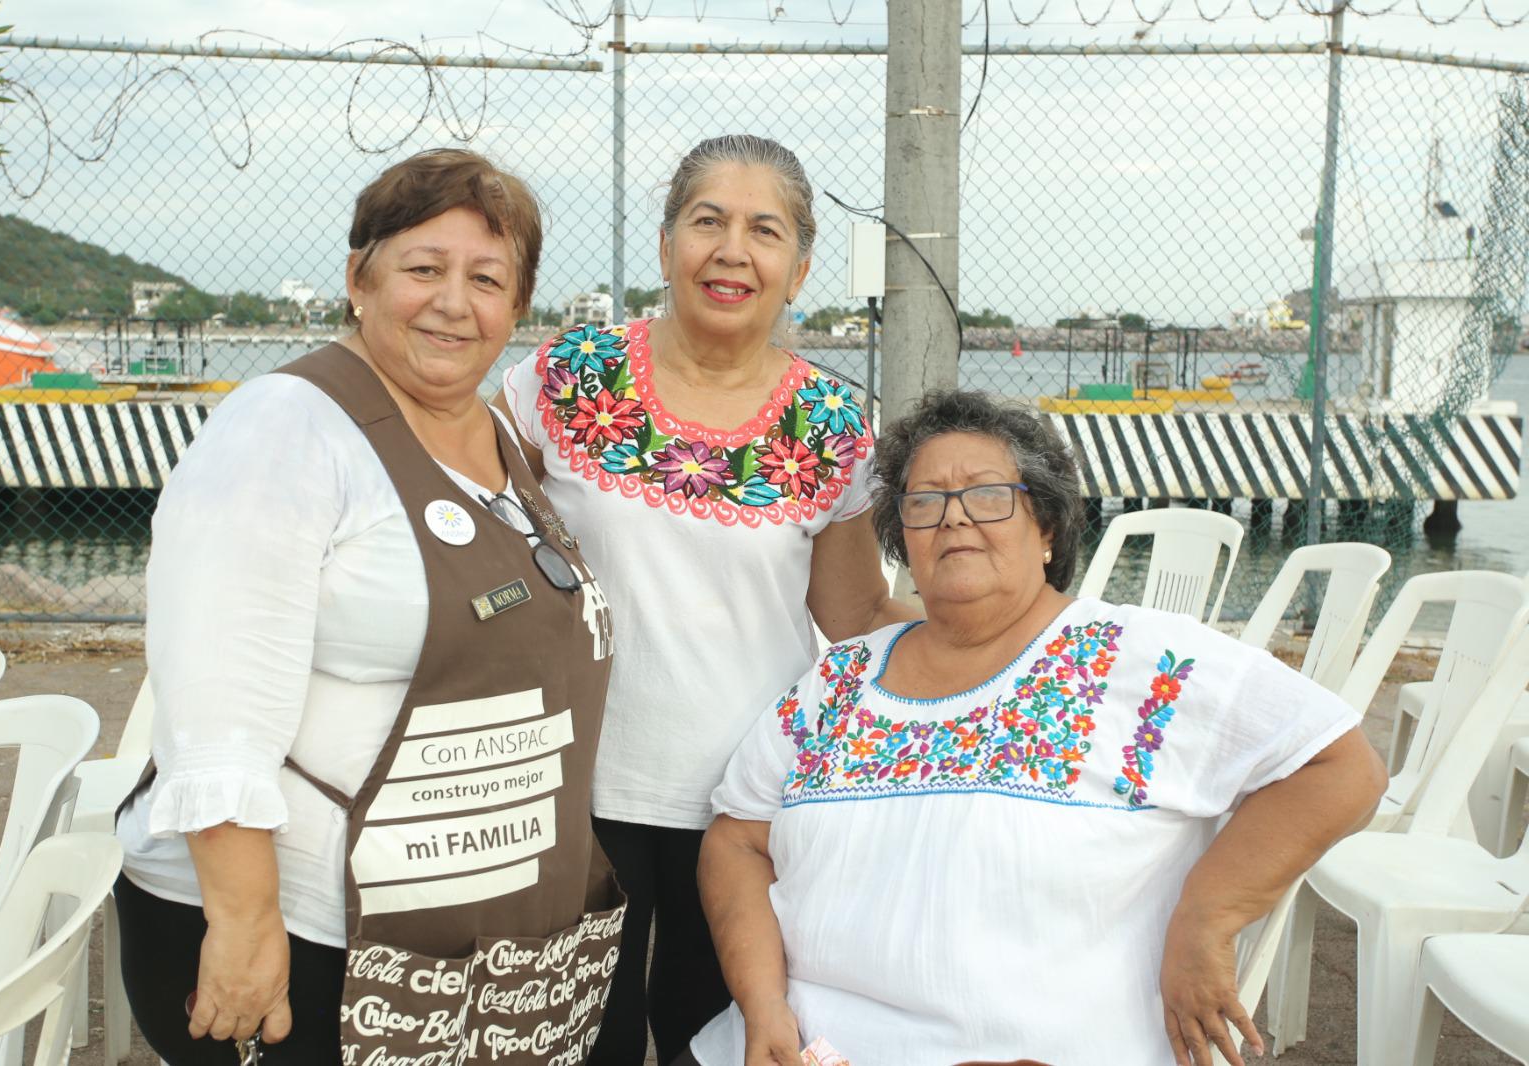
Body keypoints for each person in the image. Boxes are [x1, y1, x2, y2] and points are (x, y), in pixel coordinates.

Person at [687, 389, 1389, 1066]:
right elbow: (737, 838)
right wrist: (762, 1005)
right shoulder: (838, 682)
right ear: (903, 540)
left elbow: (1339, 767)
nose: (953, 519)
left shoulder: (1147, 662)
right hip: (799, 1044)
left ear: (1047, 528)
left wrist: (1207, 916)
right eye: (924, 503)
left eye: (989, 496)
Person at [115, 149, 623, 1066]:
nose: (453, 302)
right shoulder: (286, 426)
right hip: (310, 935)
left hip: (459, 943)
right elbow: (216, 705)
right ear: (359, 278)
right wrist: (244, 925)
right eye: (423, 269)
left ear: (519, 305)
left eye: (487, 279)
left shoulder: (493, 430)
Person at [496, 133, 915, 1065]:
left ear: (799, 269)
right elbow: (476, 530)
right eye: (707, 221)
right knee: (572, 1040)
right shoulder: (568, 378)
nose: (733, 251)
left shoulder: (838, 423)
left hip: (748, 800)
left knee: (709, 1036)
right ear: (665, 246)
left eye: (764, 231)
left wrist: (1017, 630)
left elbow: (851, 616)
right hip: (574, 781)